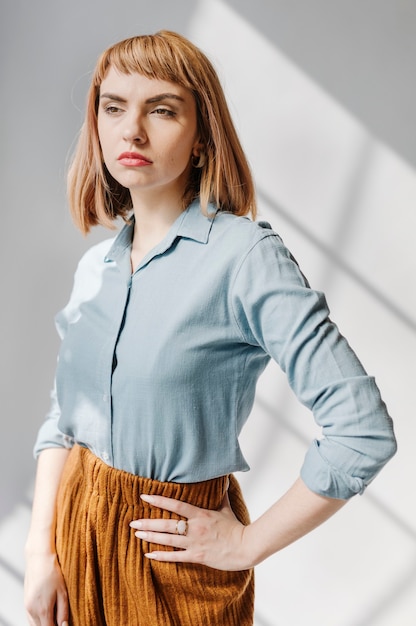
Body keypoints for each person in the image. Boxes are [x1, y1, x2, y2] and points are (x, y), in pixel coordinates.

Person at [24, 30, 397, 626]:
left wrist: (247, 544)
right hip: (75, 542)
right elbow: (62, 423)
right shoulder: (95, 269)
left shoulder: (245, 257)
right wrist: (39, 551)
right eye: (114, 107)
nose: (132, 130)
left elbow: (363, 430)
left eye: (162, 109)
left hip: (172, 561)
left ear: (202, 138)